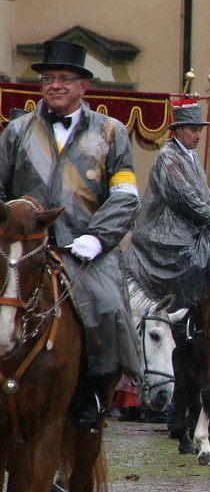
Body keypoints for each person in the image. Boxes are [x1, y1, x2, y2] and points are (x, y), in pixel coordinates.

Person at [0, 40, 141, 431]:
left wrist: (98, 237)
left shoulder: (111, 132)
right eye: (48, 78)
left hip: (84, 248)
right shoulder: (16, 132)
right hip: (22, 245)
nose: (55, 85)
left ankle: (93, 397)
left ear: (84, 86)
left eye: (64, 78)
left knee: (109, 307)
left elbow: (126, 194)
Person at [125, 103, 210, 309]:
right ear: (179, 130)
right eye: (193, 130)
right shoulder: (167, 157)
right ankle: (185, 310)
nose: (198, 135)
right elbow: (183, 198)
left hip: (189, 224)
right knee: (195, 258)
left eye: (199, 130)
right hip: (164, 231)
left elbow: (205, 193)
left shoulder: (192, 157)